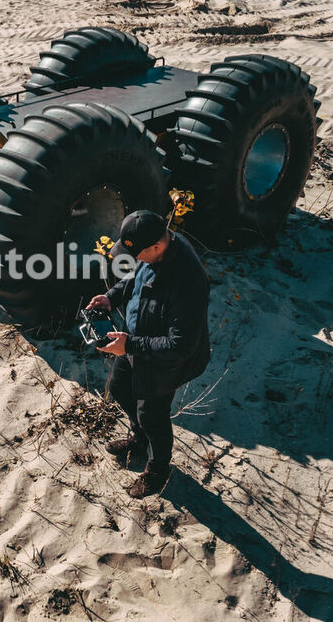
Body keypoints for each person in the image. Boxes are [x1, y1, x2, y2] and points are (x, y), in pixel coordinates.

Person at [87, 209, 211, 498]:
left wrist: (129, 345)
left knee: (152, 414)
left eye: (138, 252)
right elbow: (136, 277)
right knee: (119, 387)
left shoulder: (188, 282)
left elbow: (180, 346)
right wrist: (112, 296)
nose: (134, 259)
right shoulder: (157, 248)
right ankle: (139, 441)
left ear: (157, 246)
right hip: (136, 341)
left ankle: (157, 470)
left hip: (167, 359)